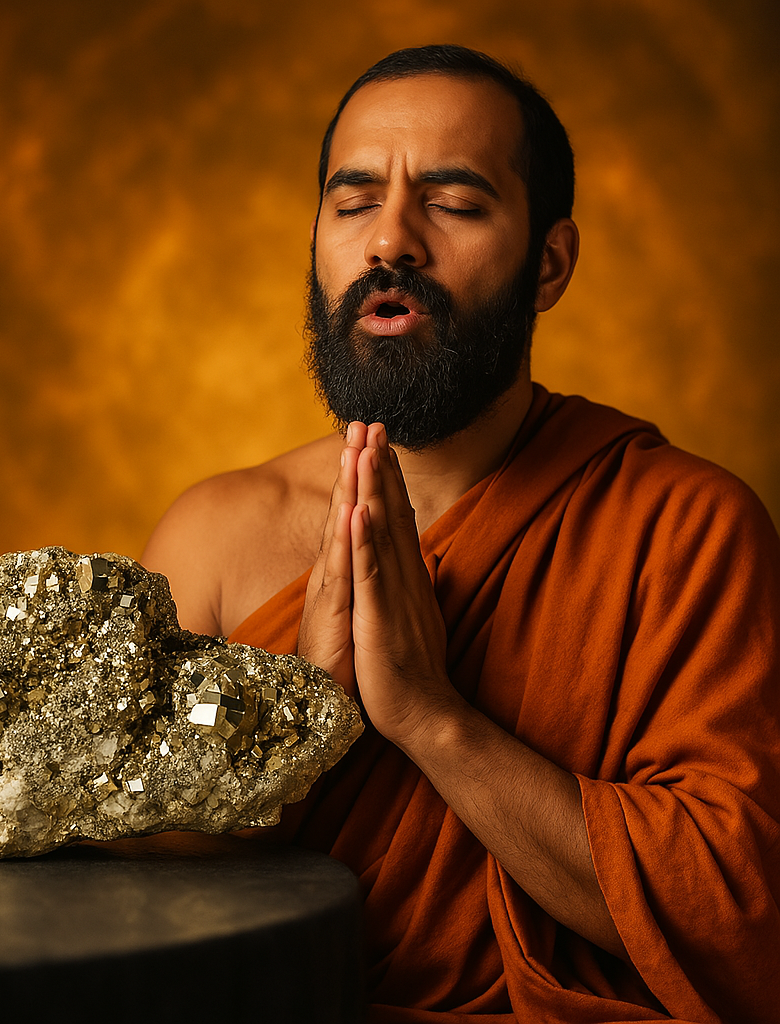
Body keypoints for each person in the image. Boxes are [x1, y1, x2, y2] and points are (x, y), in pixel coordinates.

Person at [141, 45, 780, 1023]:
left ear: (548, 264)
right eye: (352, 204)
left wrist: (432, 720)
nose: (390, 240)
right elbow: (107, 866)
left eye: (454, 203)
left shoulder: (686, 529)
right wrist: (299, 726)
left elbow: (736, 915)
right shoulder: (216, 536)